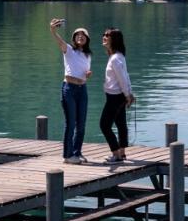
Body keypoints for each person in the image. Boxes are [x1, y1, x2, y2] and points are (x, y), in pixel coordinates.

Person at [49, 18, 92, 165]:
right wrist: (53, 30)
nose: (80, 37)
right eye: (77, 35)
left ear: (87, 39)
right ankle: (67, 156)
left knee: (81, 124)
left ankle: (77, 152)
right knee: (71, 123)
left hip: (82, 89)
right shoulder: (68, 50)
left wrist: (87, 75)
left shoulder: (88, 55)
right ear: (74, 38)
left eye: (83, 35)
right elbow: (59, 41)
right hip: (69, 89)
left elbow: (84, 71)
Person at [99, 27, 135, 164]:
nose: (104, 37)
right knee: (120, 124)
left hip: (115, 97)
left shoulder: (115, 59)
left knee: (104, 125)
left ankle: (116, 154)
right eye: (104, 34)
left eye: (107, 35)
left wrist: (128, 94)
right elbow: (126, 76)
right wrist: (128, 93)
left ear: (114, 39)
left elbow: (122, 78)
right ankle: (122, 153)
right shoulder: (118, 56)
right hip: (118, 96)